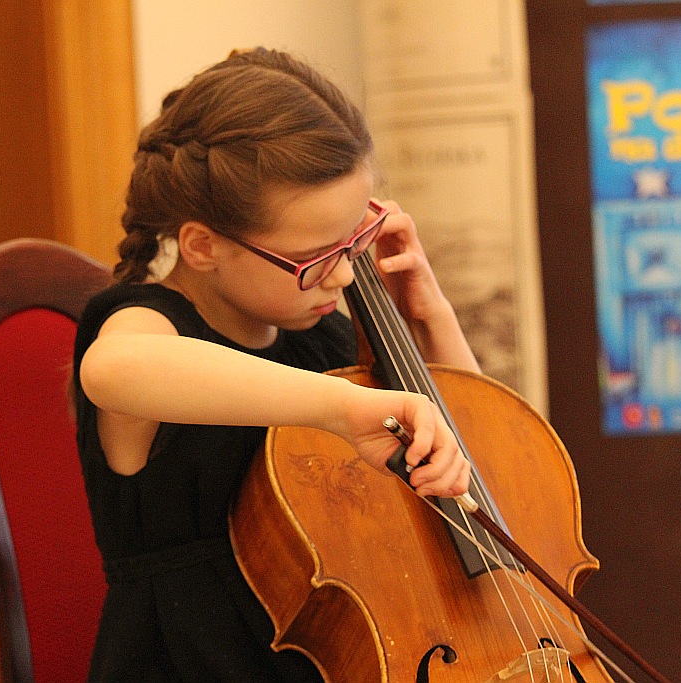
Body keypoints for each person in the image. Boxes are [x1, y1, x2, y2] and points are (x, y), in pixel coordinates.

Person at [72, 47, 481, 682]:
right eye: (315, 256)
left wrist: (433, 321)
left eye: (353, 242)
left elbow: (483, 480)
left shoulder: (318, 340)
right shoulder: (145, 322)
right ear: (204, 246)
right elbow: (113, 369)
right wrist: (342, 408)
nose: (344, 274)